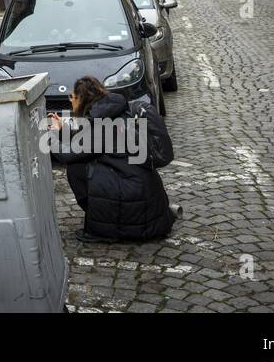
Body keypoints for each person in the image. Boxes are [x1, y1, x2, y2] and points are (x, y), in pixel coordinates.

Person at [47, 76, 177, 243]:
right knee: (86, 164)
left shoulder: (102, 125)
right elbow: (85, 139)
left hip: (134, 203)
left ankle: (102, 228)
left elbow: (68, 154)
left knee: (76, 168)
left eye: (72, 97)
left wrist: (50, 134)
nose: (70, 101)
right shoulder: (114, 110)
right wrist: (63, 128)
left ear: (82, 98)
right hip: (146, 196)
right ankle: (108, 218)